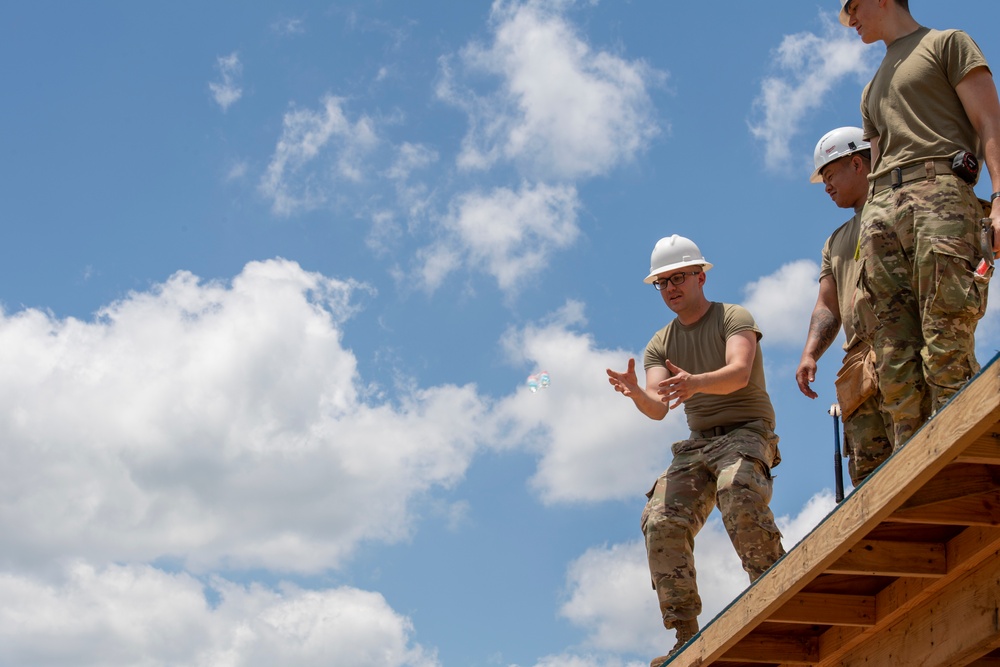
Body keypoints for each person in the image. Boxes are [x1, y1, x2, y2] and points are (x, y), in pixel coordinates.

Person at [606, 235, 785, 664]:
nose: (670, 288)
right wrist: (635, 393)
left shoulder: (733, 317)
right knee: (660, 519)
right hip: (700, 442)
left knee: (737, 487)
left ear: (700, 277)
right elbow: (657, 406)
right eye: (661, 283)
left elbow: (739, 373)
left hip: (746, 429)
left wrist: (696, 382)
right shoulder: (659, 343)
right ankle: (685, 634)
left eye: (678, 278)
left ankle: (774, 588)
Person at [840, 0, 1000, 448]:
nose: (849, 19)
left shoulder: (947, 44)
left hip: (941, 194)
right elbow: (873, 169)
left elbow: (990, 120)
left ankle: (959, 455)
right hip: (881, 210)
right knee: (892, 356)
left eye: (852, 6)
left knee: (946, 334)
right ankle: (914, 464)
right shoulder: (870, 89)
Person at [797, 127, 894, 486]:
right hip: (859, 364)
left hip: (902, 346)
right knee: (872, 478)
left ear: (857, 163)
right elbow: (828, 305)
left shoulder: (898, 206)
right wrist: (811, 354)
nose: (826, 186)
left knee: (923, 447)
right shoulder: (835, 242)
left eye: (830, 174)